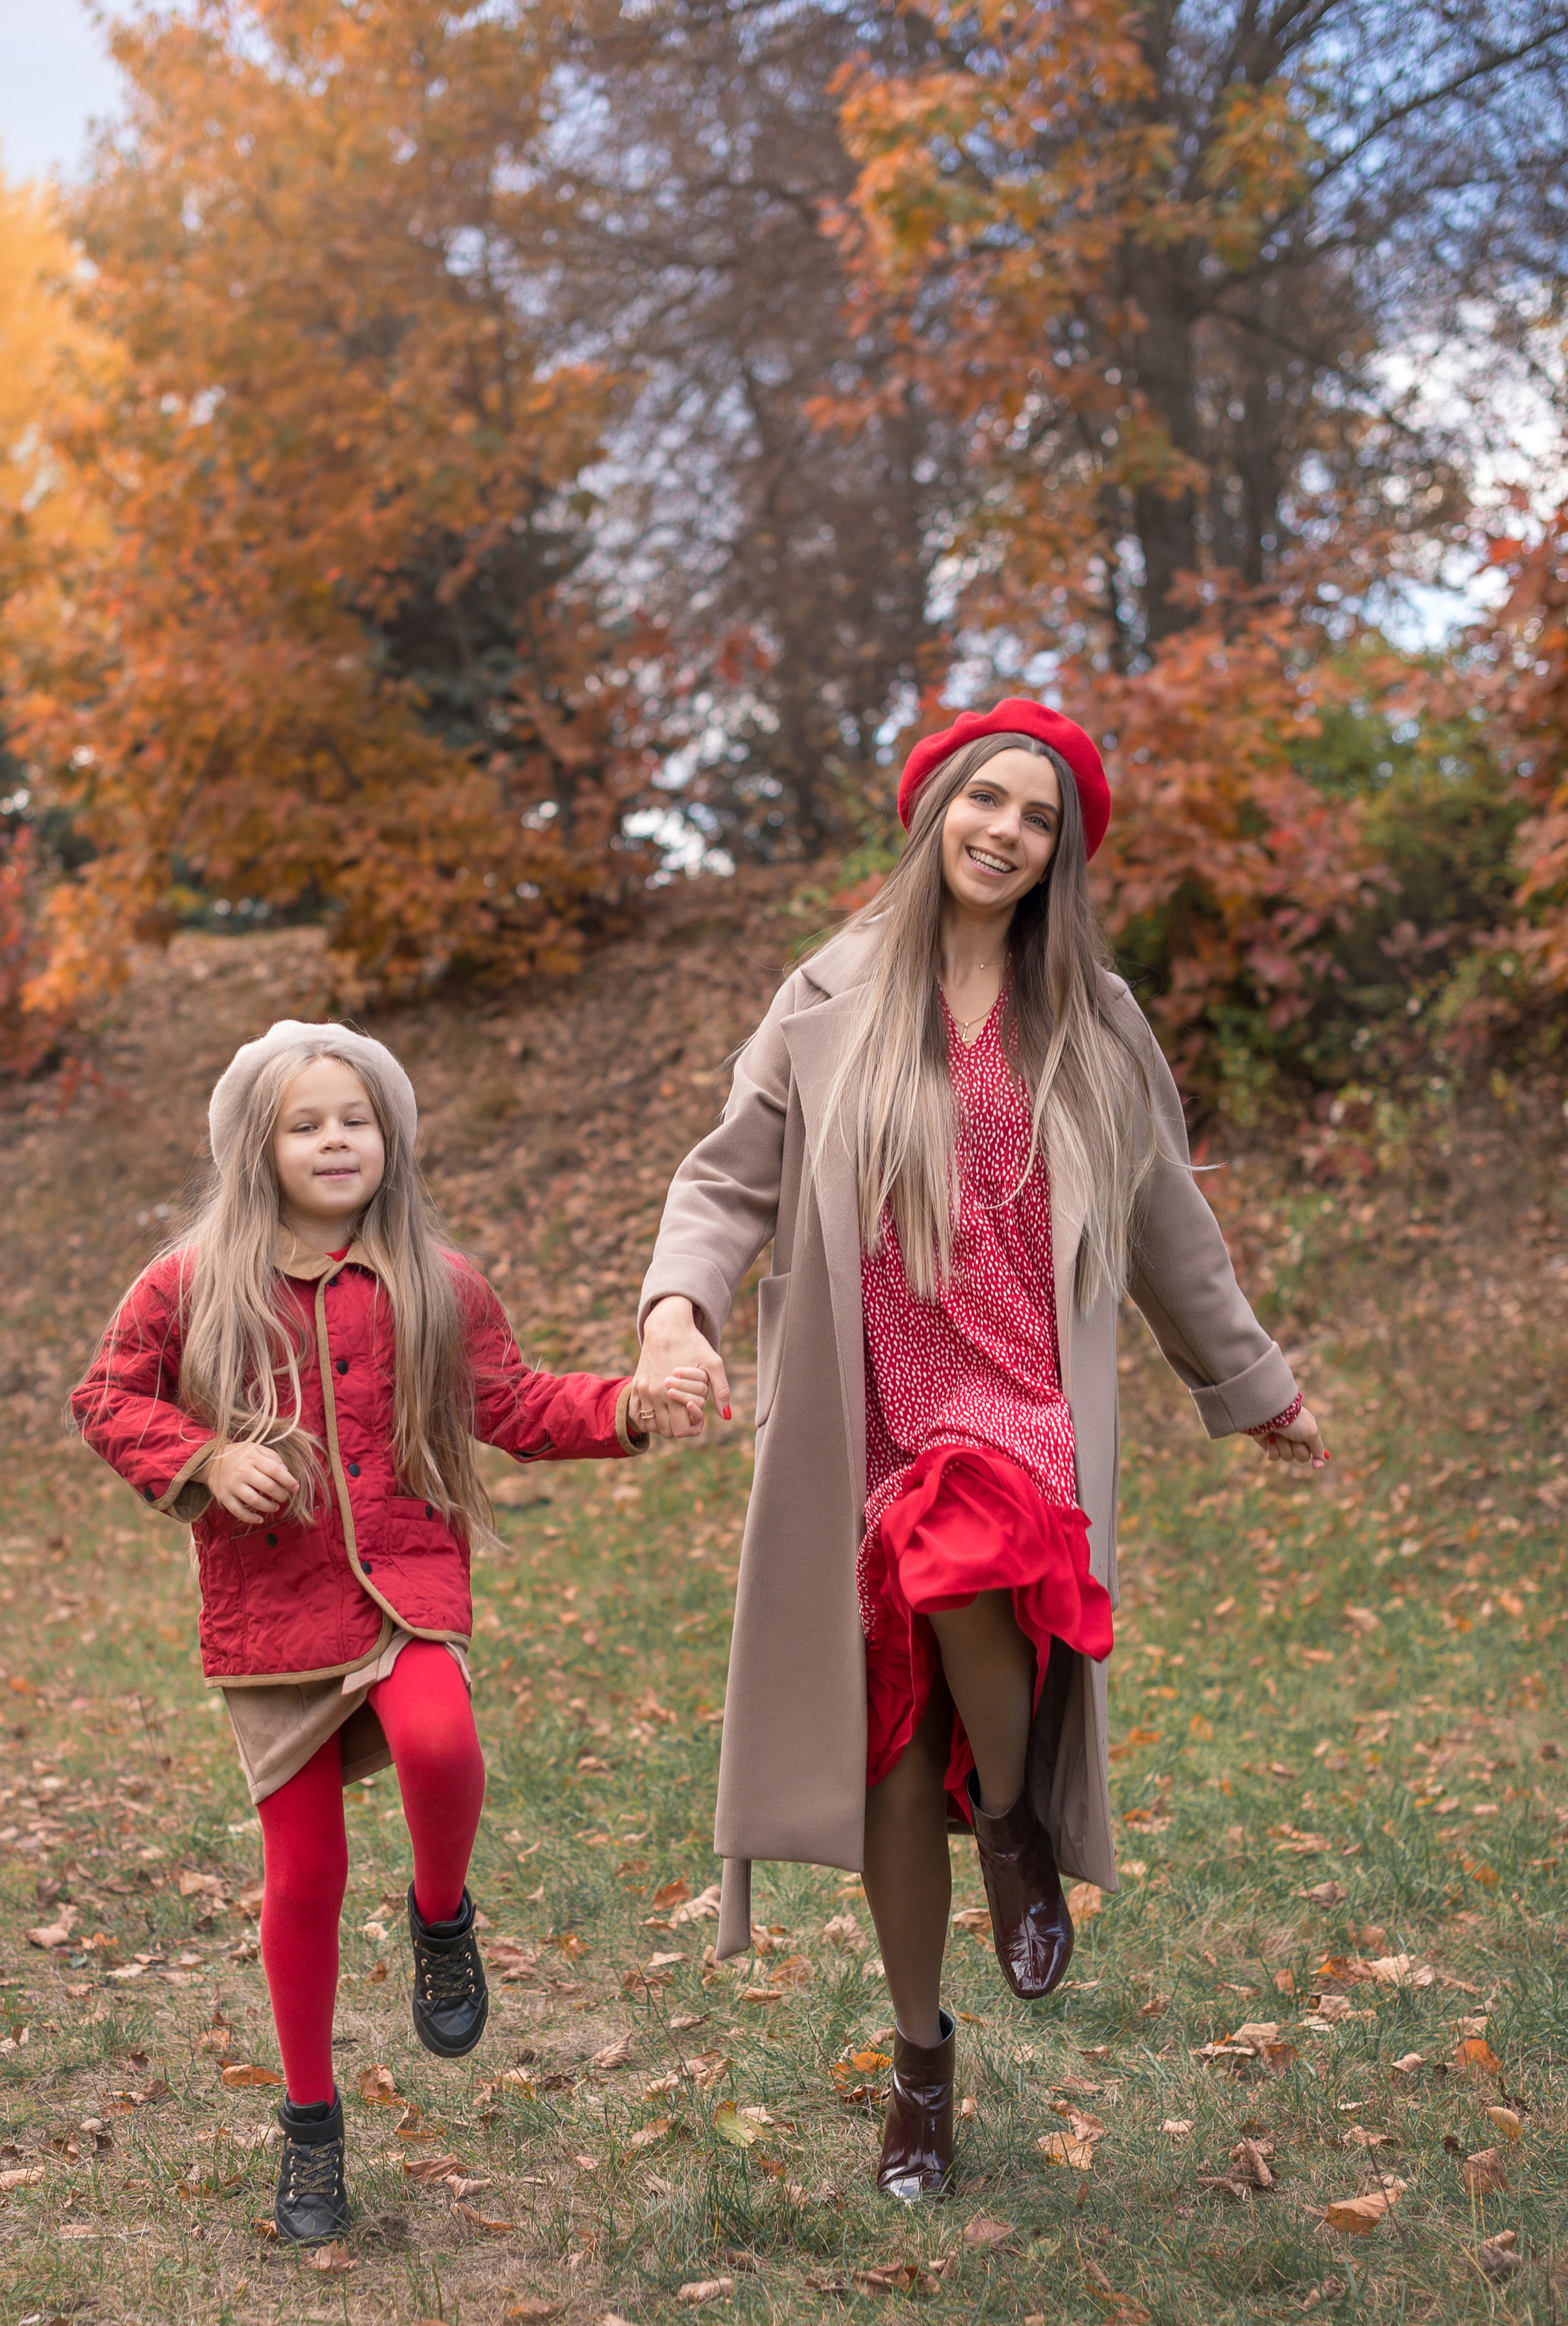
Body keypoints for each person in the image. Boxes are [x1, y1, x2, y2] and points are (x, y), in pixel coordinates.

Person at [633, 703, 1325, 2203]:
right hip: (869, 1420)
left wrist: (1251, 1386)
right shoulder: (826, 993)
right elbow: (725, 1180)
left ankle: (1008, 1822)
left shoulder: (1087, 1017)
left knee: (962, 1550)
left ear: (1058, 854)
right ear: (934, 805)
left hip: (1018, 1411)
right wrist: (675, 1312)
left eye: (1037, 817)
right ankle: (918, 2063)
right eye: (984, 799)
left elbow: (1166, 1232)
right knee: (890, 1759)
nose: (1004, 830)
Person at [74, 1021, 677, 2243]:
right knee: (303, 1877)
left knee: (443, 1746)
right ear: (261, 1147)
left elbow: (513, 1402)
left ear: (389, 1139)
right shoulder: (190, 1283)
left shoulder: (439, 1283)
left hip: (406, 1578)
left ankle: (442, 1916)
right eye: (306, 1123)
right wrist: (200, 1457)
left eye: (355, 1118)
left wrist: (632, 1405)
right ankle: (309, 2123)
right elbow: (106, 1396)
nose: (335, 1139)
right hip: (273, 1611)